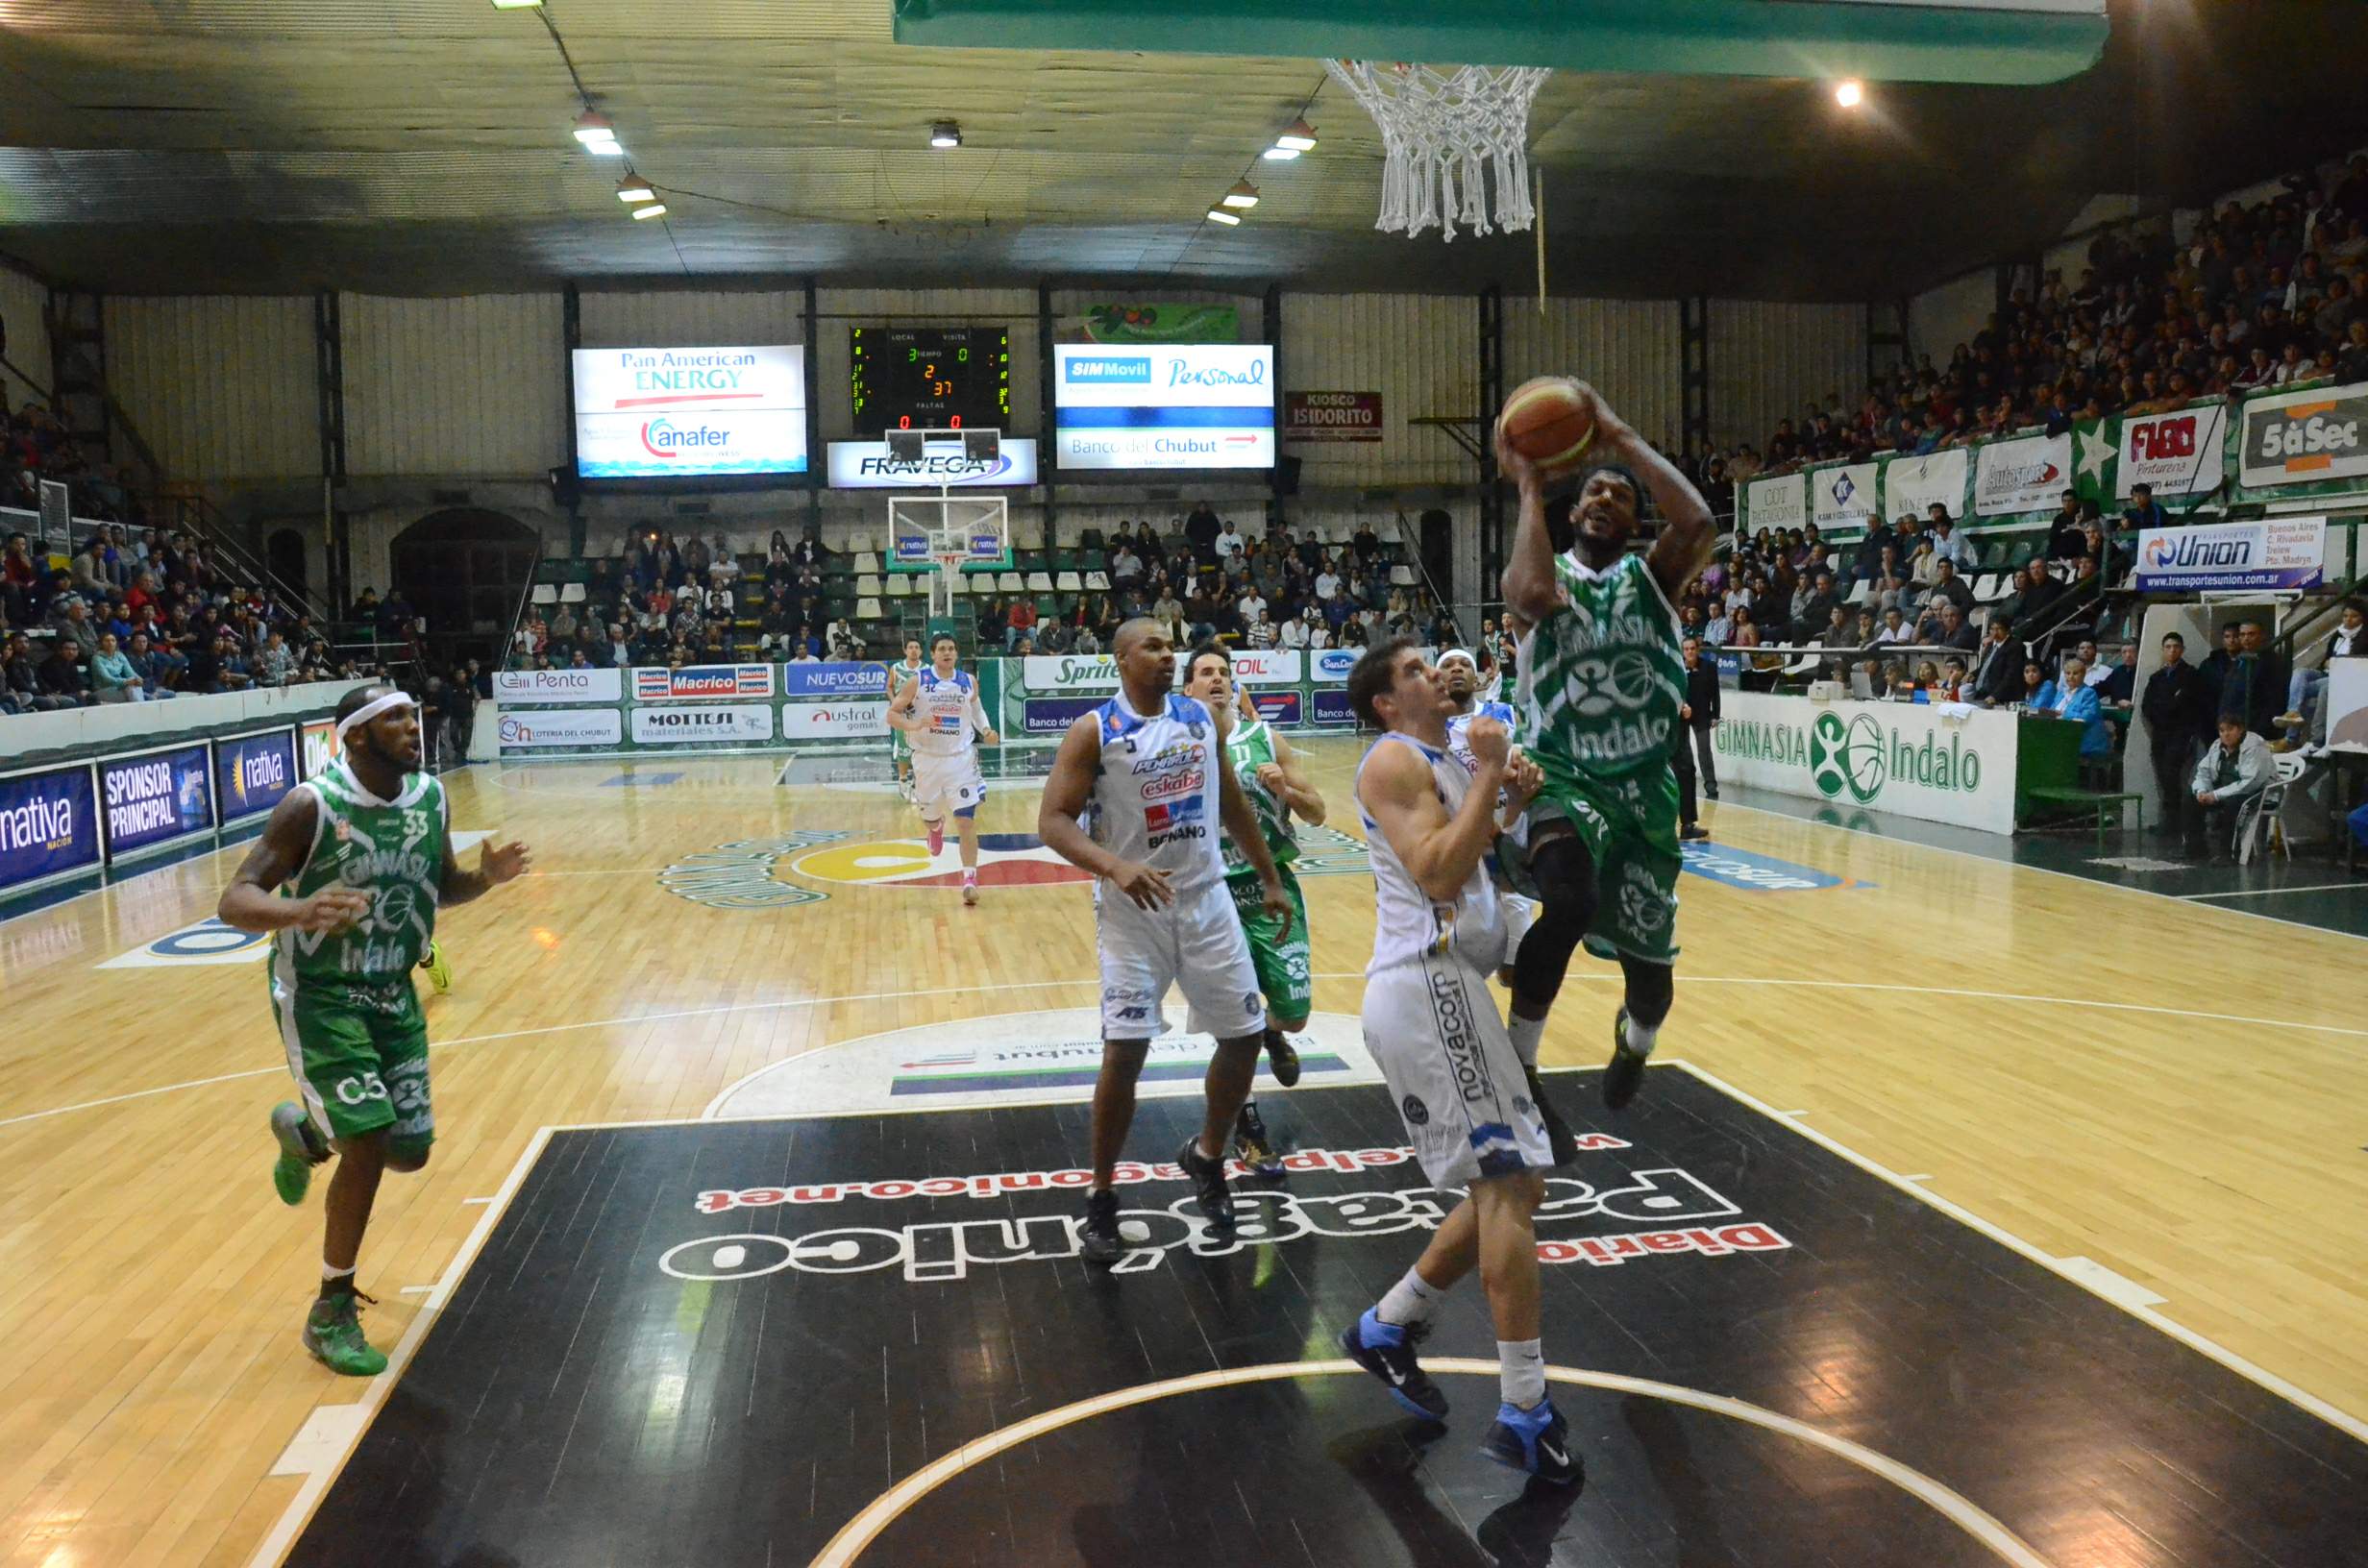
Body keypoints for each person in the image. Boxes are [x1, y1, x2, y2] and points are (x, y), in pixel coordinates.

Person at [219, 685, 530, 1376]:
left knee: (408, 1151)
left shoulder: (429, 797)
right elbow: (234, 900)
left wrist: (488, 878)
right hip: (322, 995)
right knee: (365, 1143)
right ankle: (330, 1310)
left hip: (394, 991)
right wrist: (298, 914)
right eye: (393, 717)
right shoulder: (312, 805)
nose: (411, 726)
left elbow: (442, 886)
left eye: (412, 714)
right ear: (355, 736)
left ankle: (304, 1134)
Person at [1333, 638, 1577, 1486]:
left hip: (1452, 987)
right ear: (1385, 705)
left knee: (1520, 1184)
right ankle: (1525, 1411)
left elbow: (1467, 858)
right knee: (1508, 1186)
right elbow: (1437, 873)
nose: (1430, 674)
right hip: (1425, 985)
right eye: (1410, 672)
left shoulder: (1435, 754)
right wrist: (1486, 776)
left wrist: (1504, 805)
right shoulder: (1393, 759)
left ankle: (1391, 1325)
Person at [1033, 619, 1287, 1264]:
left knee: (1244, 1037)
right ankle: (1101, 1196)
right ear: (1121, 660)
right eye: (1152, 646)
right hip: (1130, 912)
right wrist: (1114, 866)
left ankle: (1206, 1154)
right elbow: (1052, 820)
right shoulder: (1095, 730)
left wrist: (1268, 875)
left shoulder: (1202, 721)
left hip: (1205, 898)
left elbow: (1231, 800)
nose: (1168, 654)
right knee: (1126, 1052)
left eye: (1171, 645)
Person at [1496, 379, 1714, 1113]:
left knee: (1652, 983)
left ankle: (1636, 1039)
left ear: (1633, 519)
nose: (1605, 501)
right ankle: (1520, 1064)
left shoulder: (1653, 576)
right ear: (1574, 508)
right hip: (1563, 774)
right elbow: (1526, 598)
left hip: (1644, 789)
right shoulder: (1546, 575)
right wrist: (1529, 485)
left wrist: (1619, 439)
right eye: (1593, 492)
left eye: (1621, 497)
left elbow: (1699, 521)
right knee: (1568, 897)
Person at [1180, 649, 1323, 1177]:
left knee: (1296, 1011)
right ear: (1188, 689)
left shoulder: (1264, 739)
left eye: (1223, 673)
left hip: (1271, 888)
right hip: (1211, 895)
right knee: (1229, 1026)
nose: (1216, 680)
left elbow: (1318, 811)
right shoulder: (1178, 746)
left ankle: (1272, 1030)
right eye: (1205, 674)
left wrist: (1286, 789)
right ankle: (1249, 1127)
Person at [884, 633, 1001, 907]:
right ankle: (935, 827)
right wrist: (915, 725)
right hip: (926, 759)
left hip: (960, 759)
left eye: (951, 649)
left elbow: (977, 711)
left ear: (956, 654)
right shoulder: (918, 682)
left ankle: (970, 879)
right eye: (941, 649)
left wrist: (985, 730)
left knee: (966, 820)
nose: (947, 653)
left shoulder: (968, 682)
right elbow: (892, 714)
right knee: (930, 815)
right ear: (933, 654)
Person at [2141, 632, 2214, 842]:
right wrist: (2164, 709)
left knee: (2173, 774)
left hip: (2182, 733)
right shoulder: (2156, 677)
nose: (2172, 650)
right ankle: (2170, 819)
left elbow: (2186, 703)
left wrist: (2168, 707)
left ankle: (2178, 822)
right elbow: (2148, 705)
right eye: (2168, 647)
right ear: (2163, 650)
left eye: (2175, 646)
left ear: (2182, 649)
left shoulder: (2191, 675)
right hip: (2160, 734)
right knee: (2164, 777)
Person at [2190, 715, 2276, 860]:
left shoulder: (2255, 747)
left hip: (2257, 792)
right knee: (2190, 800)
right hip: (2225, 791)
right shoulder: (2217, 746)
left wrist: (2216, 795)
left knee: (2233, 804)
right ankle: (2194, 849)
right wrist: (2202, 791)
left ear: (2240, 729)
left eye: (2230, 729)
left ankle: (2228, 854)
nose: (2226, 734)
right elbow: (2203, 772)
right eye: (2222, 730)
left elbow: (2251, 782)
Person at [1672, 635, 1718, 842]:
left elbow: (1715, 692)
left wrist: (1715, 714)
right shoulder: (1675, 667)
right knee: (1680, 769)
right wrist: (1681, 705)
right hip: (1675, 720)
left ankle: (1688, 822)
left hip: (1698, 716)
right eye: (1686, 649)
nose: (1690, 652)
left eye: (1693, 648)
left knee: (1692, 763)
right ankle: (1678, 823)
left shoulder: (1708, 667)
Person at [885, 638, 925, 800]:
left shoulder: (927, 669)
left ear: (921, 651)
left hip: (919, 714)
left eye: (916, 647)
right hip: (901, 715)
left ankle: (916, 783)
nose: (914, 650)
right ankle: (902, 780)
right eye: (910, 647)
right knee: (904, 750)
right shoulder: (896, 668)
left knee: (919, 750)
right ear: (905, 650)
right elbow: (889, 687)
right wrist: (895, 701)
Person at [1970, 616, 2023, 706]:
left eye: (1999, 629)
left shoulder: (2015, 646)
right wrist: (1972, 674)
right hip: (1983, 692)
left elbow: (2011, 675)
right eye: (1992, 629)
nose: (1994, 633)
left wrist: (1995, 695)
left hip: (2001, 696)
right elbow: (1985, 667)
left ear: (2007, 631)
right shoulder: (1991, 644)